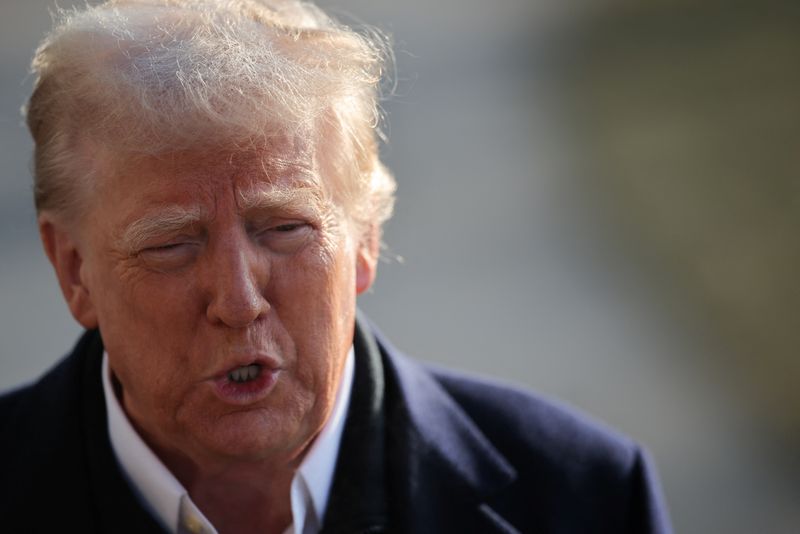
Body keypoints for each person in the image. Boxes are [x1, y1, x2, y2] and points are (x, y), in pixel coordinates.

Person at [0, 1, 672, 532]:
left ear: (366, 240)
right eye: (171, 245)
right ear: (74, 270)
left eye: (285, 229)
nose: (238, 300)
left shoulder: (582, 497)